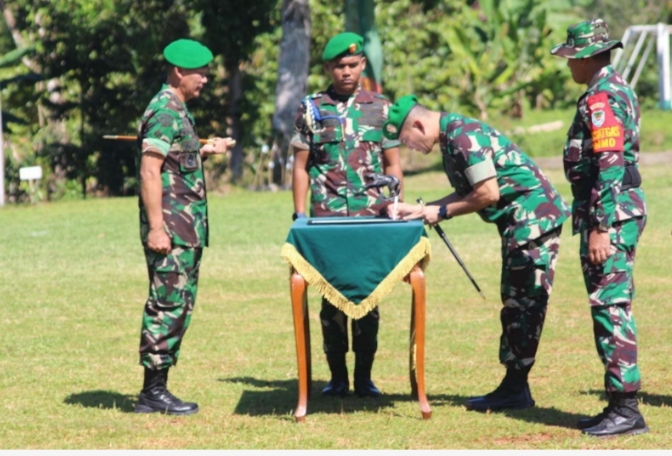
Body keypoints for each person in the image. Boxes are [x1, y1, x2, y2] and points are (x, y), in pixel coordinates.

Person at [382, 95, 571, 412]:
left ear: (417, 124)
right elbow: (469, 190)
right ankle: (514, 387)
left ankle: (515, 390)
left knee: (524, 302)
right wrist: (422, 209)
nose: (409, 147)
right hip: (522, 220)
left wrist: (441, 212)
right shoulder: (452, 137)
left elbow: (487, 193)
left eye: (406, 140)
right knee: (515, 301)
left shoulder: (462, 136)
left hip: (534, 218)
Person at [290, 32, 403, 397]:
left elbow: (393, 164)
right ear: (328, 68)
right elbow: (300, 166)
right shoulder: (311, 108)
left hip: (371, 218)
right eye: (339, 66)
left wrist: (395, 204)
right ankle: (337, 378)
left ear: (363, 65)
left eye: (352, 65)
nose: (346, 72)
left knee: (368, 299)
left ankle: (365, 378)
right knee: (331, 303)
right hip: (327, 219)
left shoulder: (382, 107)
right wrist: (299, 214)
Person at [551, 19, 648, 437]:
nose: (569, 65)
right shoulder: (613, 89)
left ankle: (627, 409)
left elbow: (609, 164)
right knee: (609, 303)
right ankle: (618, 405)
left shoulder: (602, 98)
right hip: (613, 210)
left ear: (589, 57)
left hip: (611, 214)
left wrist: (601, 227)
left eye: (573, 57)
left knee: (611, 306)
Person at [134, 38, 232, 415]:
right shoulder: (164, 111)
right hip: (171, 232)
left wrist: (203, 152)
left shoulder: (179, 110)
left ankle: (157, 388)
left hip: (185, 230)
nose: (205, 79)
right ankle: (152, 392)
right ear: (179, 72)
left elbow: (174, 166)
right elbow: (149, 170)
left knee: (179, 305)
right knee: (167, 304)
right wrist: (157, 228)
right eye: (201, 73)